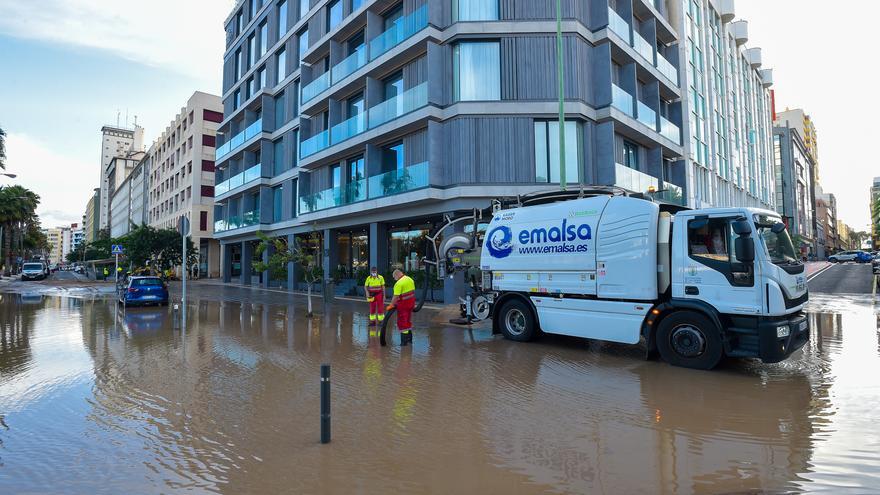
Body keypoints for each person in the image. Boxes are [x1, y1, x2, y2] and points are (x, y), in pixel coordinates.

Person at [387, 269, 416, 346]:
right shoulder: (410, 279)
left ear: (397, 275)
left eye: (394, 277)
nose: (394, 279)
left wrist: (391, 305)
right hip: (411, 304)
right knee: (408, 321)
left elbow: (396, 296)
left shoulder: (398, 283)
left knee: (402, 323)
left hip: (403, 306)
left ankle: (404, 342)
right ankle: (410, 340)